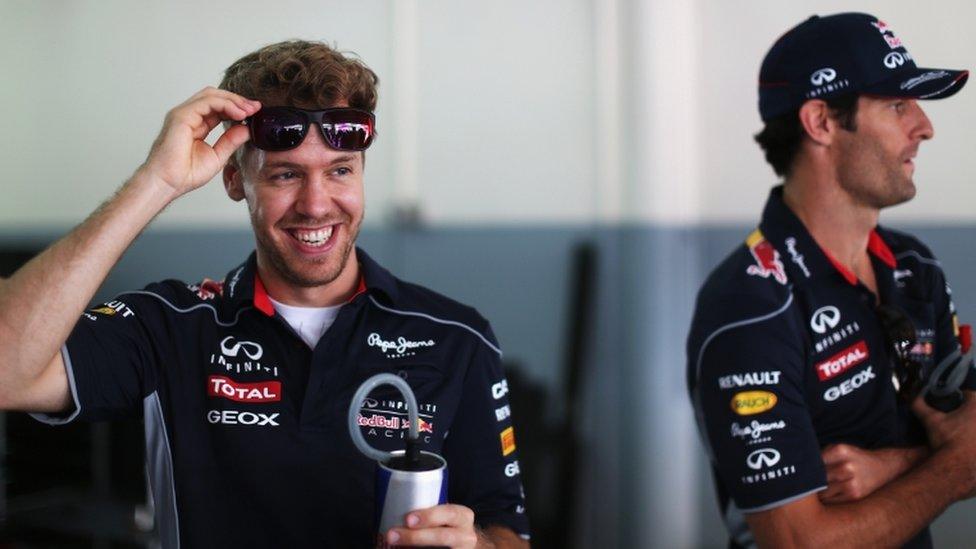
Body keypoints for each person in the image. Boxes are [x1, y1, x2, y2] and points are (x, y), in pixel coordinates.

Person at [0, 40, 529, 548]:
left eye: (340, 171)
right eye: (285, 175)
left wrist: (477, 545)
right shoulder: (171, 327)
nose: (317, 205)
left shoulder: (457, 338)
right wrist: (156, 182)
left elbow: (509, 532)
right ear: (235, 180)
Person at [687, 12, 976, 548]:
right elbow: (803, 542)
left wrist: (892, 467)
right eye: (897, 105)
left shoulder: (916, 268)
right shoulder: (749, 304)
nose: (925, 127)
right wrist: (953, 469)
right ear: (820, 122)